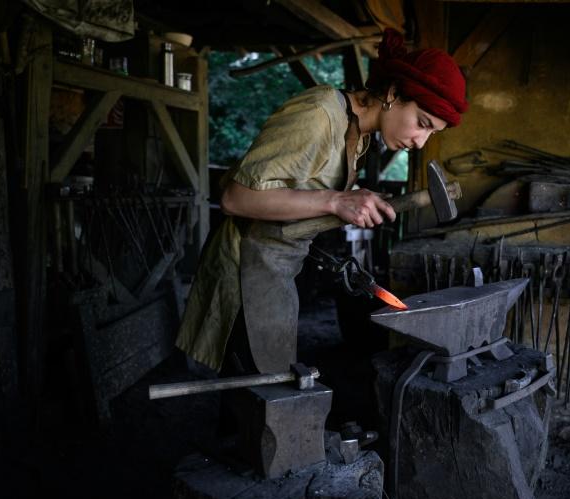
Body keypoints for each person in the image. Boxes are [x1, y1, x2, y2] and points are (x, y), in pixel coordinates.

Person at [175, 28, 468, 377]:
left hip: (278, 269)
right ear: (392, 93)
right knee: (255, 394)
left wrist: (357, 201)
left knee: (266, 390)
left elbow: (306, 192)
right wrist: (334, 200)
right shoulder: (320, 113)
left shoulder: (356, 132)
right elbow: (235, 199)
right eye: (422, 124)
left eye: (431, 133)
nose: (421, 142)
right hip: (244, 272)